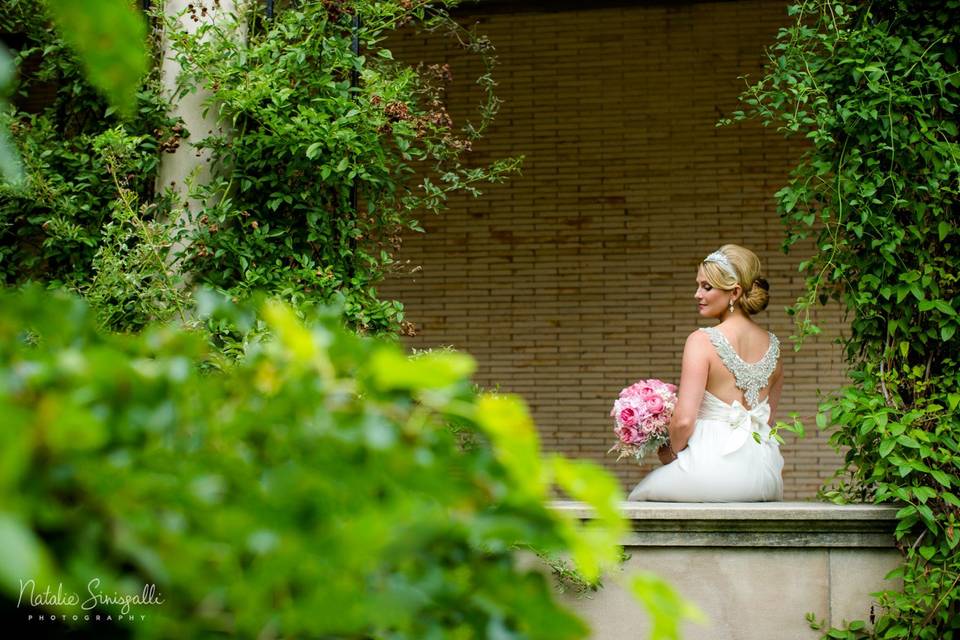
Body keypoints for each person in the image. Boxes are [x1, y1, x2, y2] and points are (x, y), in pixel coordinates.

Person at [627, 244, 784, 502]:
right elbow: (767, 423)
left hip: (710, 469)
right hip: (763, 474)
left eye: (706, 287)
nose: (697, 294)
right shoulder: (774, 347)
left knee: (639, 496)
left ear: (734, 292)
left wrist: (671, 452)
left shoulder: (702, 341)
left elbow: (684, 420)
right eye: (698, 285)